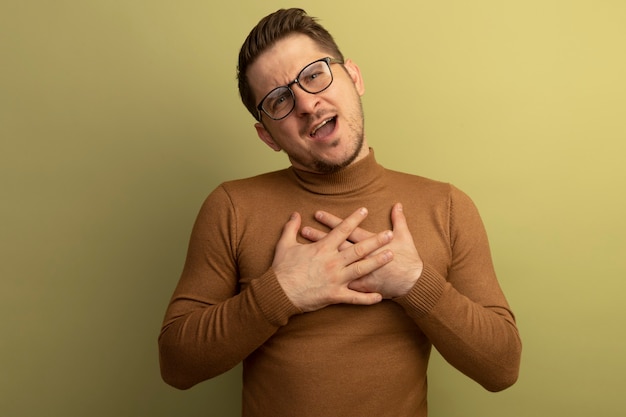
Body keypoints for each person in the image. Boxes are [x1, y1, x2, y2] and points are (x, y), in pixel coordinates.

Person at [158, 7, 521, 417]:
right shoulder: (231, 207)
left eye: (314, 75)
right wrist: (281, 293)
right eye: (279, 100)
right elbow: (176, 364)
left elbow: (502, 367)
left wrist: (414, 282)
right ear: (267, 136)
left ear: (354, 77)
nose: (308, 104)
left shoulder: (448, 206)